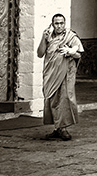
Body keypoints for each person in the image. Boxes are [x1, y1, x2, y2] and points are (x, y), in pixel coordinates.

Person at [36, 13, 83, 141]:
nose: (59, 26)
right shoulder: (48, 37)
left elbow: (79, 54)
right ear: (52, 24)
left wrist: (70, 52)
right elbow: (40, 54)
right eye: (56, 23)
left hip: (64, 74)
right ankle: (57, 128)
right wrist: (43, 38)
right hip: (50, 74)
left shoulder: (70, 37)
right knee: (52, 99)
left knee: (64, 99)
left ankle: (63, 128)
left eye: (61, 23)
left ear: (65, 23)